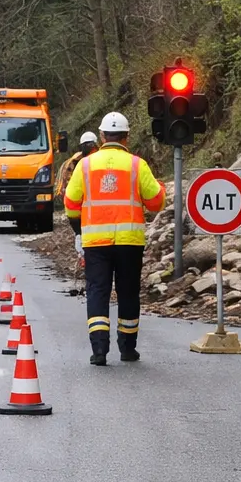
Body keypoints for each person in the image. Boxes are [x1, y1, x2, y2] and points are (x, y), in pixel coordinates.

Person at [62, 113, 165, 365]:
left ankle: (99, 351)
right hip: (130, 242)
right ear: (127, 137)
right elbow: (156, 202)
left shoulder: (85, 166)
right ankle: (127, 349)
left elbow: (70, 205)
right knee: (128, 292)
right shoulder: (136, 165)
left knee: (98, 291)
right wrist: (159, 187)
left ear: (102, 136)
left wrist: (81, 229)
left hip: (96, 243)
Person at [56, 131, 99, 268]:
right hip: (87, 206)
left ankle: (85, 258)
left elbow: (68, 191)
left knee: (82, 236)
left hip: (83, 207)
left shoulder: (76, 163)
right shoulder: (77, 163)